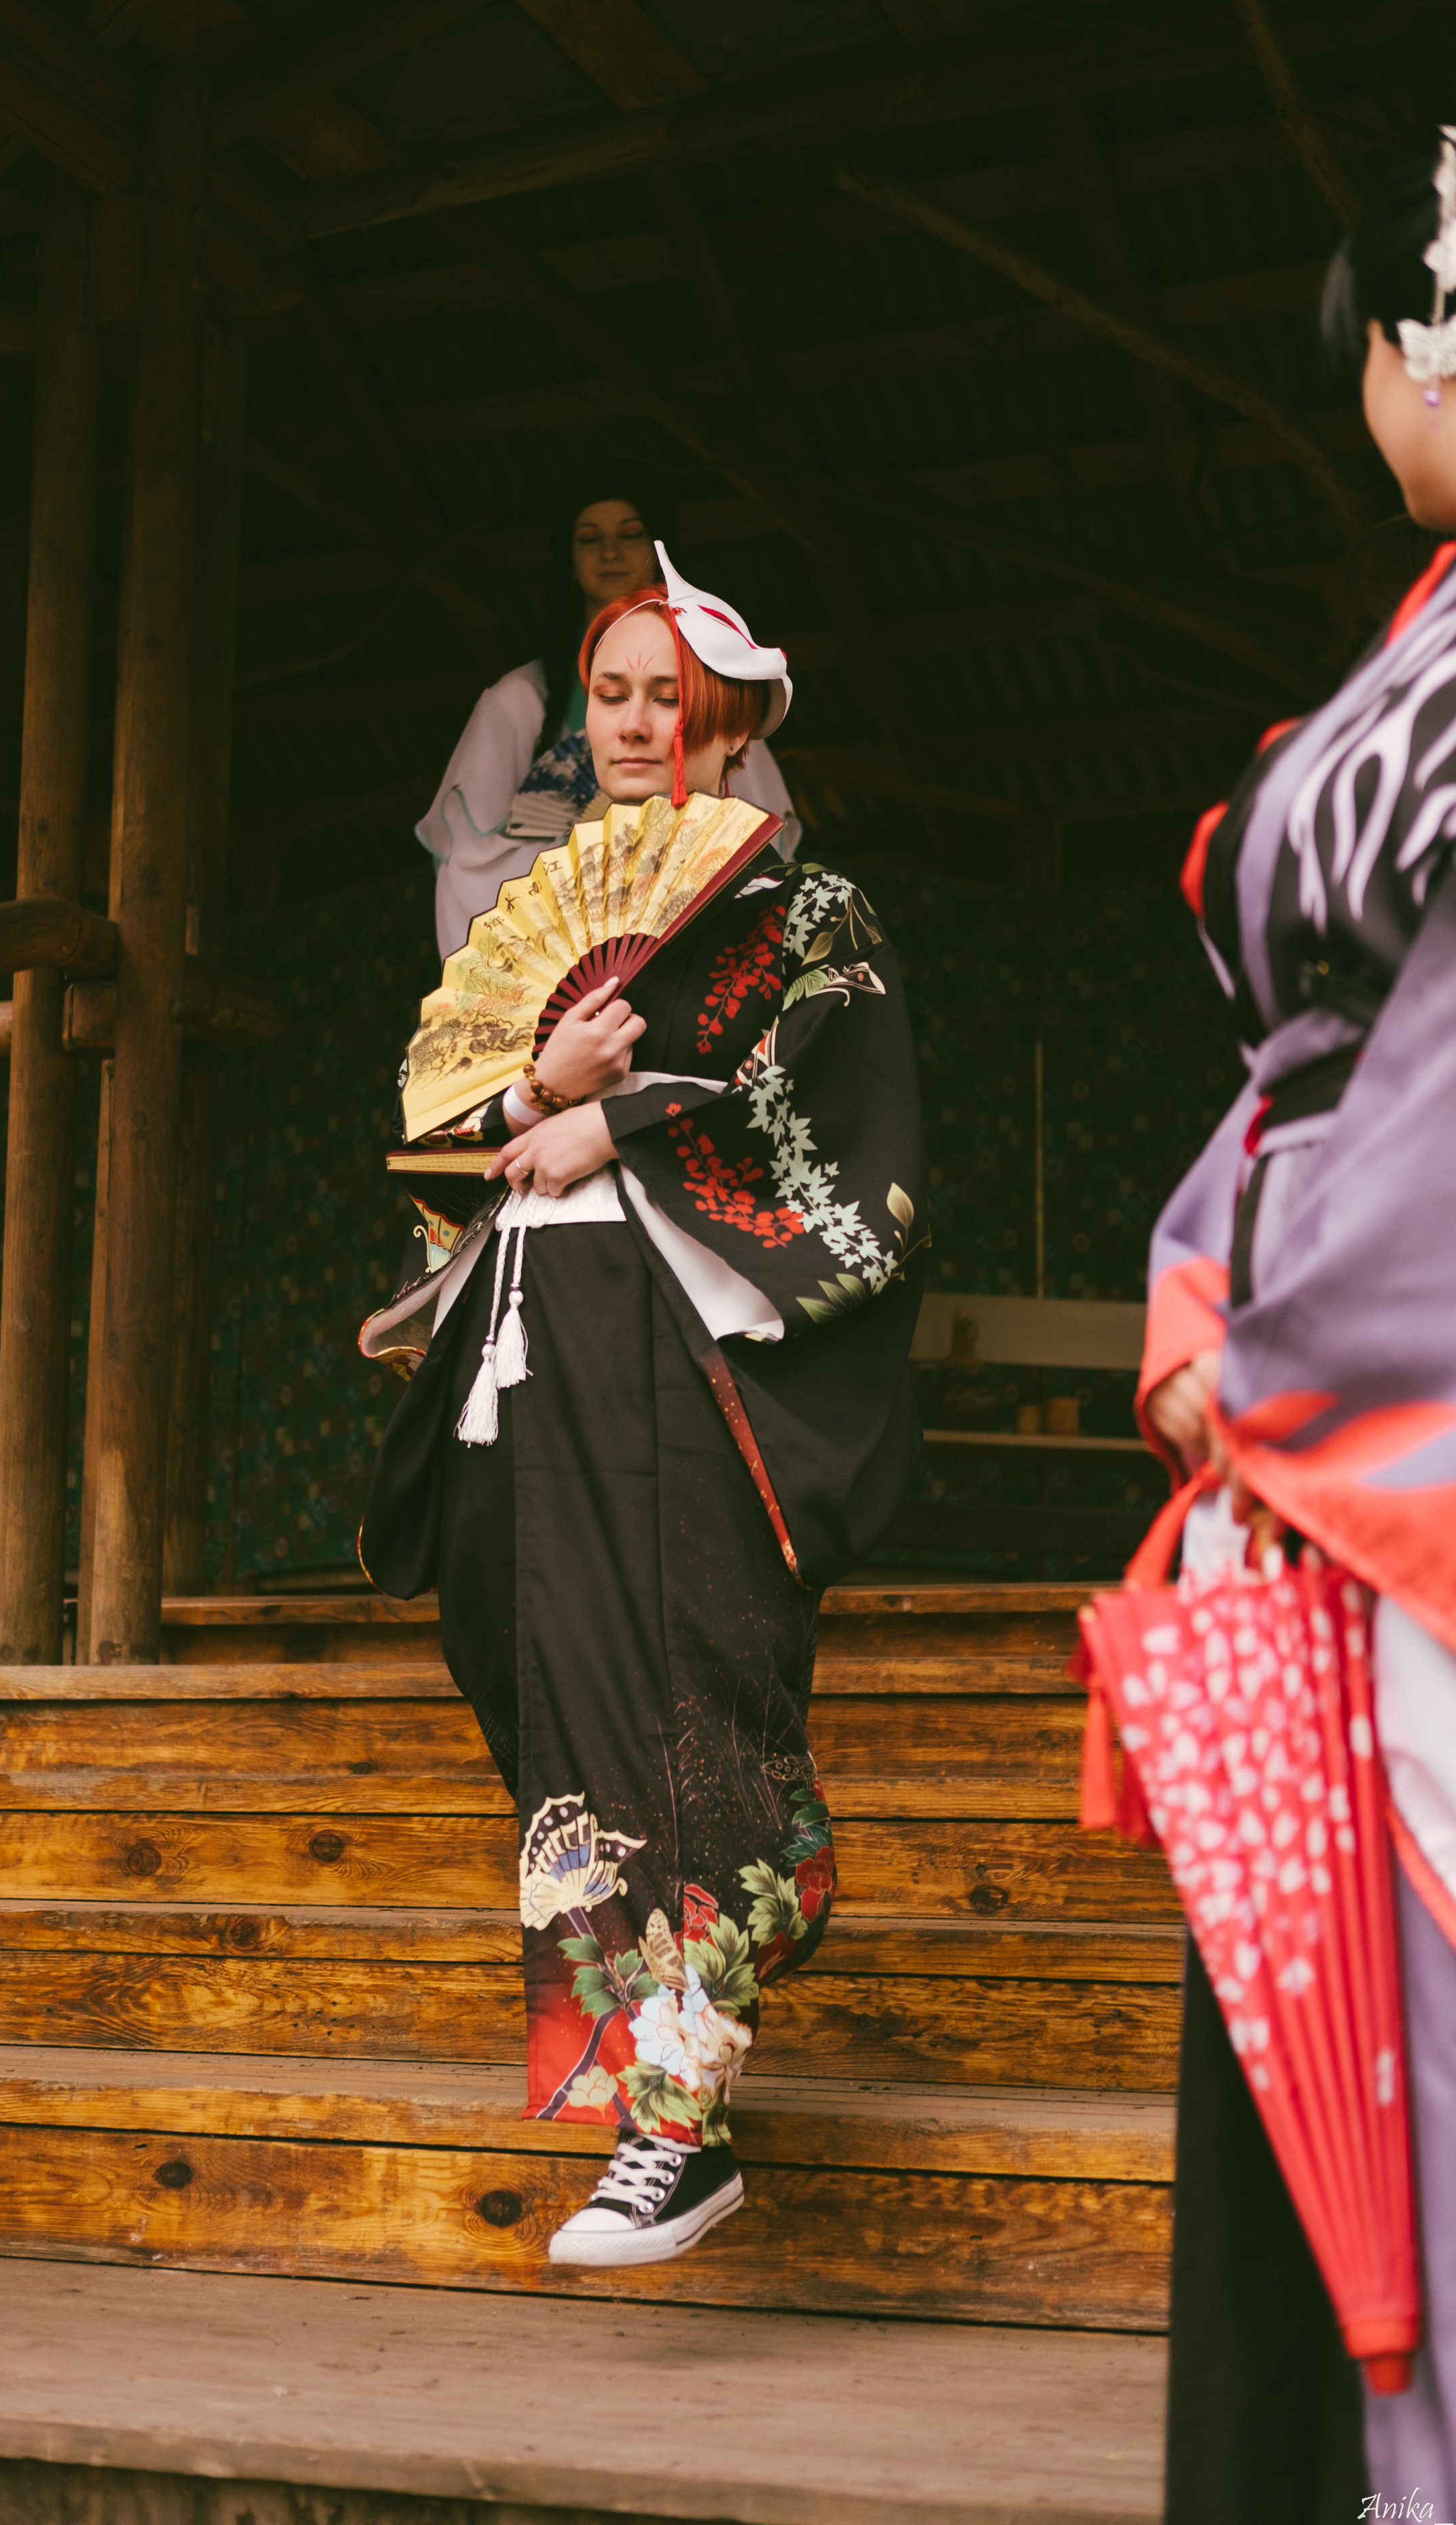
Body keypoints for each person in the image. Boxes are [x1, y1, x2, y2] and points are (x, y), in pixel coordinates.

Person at [359, 555, 925, 2268]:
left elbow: (847, 1137)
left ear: (727, 717)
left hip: (689, 1348)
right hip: (537, 1341)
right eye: (604, 692)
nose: (626, 723)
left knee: (684, 1689)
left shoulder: (806, 916)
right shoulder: (538, 906)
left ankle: (676, 2122)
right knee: (546, 1677)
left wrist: (625, 1126)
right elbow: (439, 1144)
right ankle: (651, 2081)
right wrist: (539, 1084)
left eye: (660, 693)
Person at [1138, 126, 1456, 2524]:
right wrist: (1211, 1263)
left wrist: (1272, 1358)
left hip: (1420, 1429)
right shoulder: (1448, 622)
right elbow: (1313, 1077)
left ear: (1413, 340)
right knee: (1361, 2118)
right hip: (1332, 1394)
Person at [415, 485, 800, 958]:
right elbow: (470, 863)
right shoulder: (519, 700)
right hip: (570, 958)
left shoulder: (712, 689)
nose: (611, 551)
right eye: (589, 539)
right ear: (568, 560)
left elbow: (756, 836)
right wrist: (580, 864)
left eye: (632, 534)